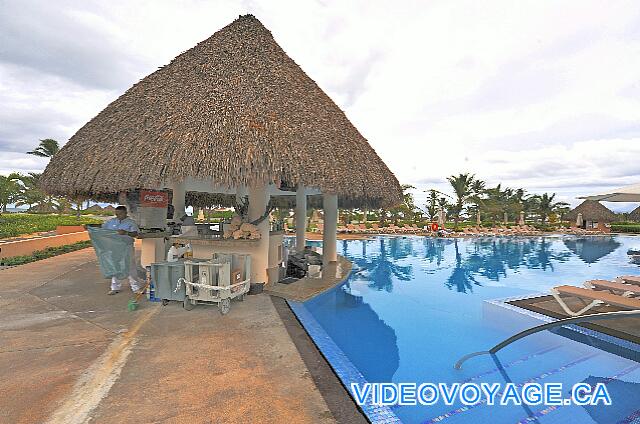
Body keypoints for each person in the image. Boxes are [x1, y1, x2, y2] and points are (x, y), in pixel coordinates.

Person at [101, 205, 142, 295]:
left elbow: (136, 234)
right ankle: (115, 287)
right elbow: (101, 227)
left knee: (130, 266)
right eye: (116, 214)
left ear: (125, 213)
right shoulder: (111, 221)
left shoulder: (131, 223)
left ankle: (136, 288)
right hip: (114, 247)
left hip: (126, 247)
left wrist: (126, 232)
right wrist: (89, 226)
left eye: (120, 214)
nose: (118, 215)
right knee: (115, 266)